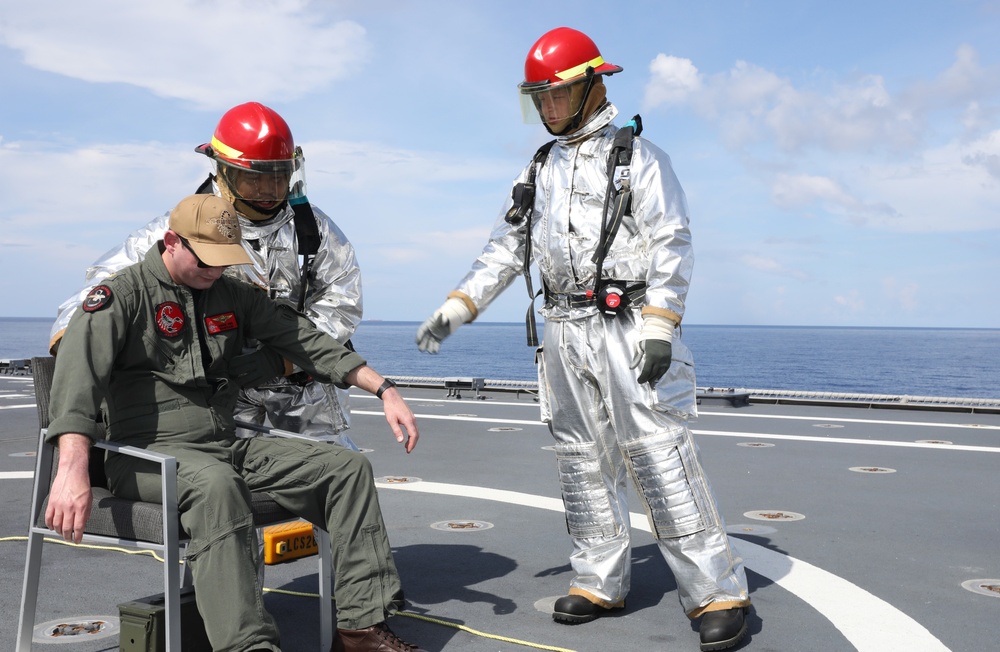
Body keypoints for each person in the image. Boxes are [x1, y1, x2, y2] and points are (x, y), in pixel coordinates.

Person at [416, 27, 751, 651]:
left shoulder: (638, 157)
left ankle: (716, 590)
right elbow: (505, 248)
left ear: (593, 86)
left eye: (557, 95)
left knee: (659, 454)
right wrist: (459, 305)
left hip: (627, 325)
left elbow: (670, 243)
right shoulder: (539, 167)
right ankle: (600, 580)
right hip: (563, 329)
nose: (547, 109)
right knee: (580, 457)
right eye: (539, 98)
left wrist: (660, 323)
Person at [46, 194, 425, 652]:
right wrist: (71, 469)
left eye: (224, 262)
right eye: (206, 260)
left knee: (346, 469)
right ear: (171, 242)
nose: (215, 271)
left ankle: (361, 629)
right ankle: (248, 646)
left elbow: (303, 340)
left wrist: (383, 388)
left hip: (224, 441)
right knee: (217, 487)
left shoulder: (231, 293)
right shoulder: (119, 297)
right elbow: (76, 384)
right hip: (147, 453)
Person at [49, 101, 364, 449]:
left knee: (333, 476)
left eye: (278, 178)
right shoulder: (183, 228)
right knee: (229, 487)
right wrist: (78, 342)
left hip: (306, 401)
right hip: (217, 398)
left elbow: (342, 302)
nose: (269, 192)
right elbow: (99, 295)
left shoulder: (313, 229)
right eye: (253, 179)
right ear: (222, 171)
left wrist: (282, 361)